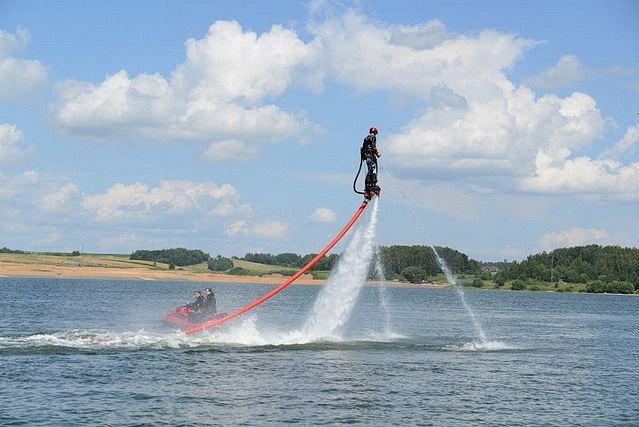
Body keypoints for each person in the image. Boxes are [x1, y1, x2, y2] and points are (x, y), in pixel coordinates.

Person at [361, 127, 381, 198]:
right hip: (371, 156)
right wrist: (377, 153)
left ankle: (367, 185)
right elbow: (373, 146)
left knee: (369, 170)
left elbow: (363, 148)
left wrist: (364, 156)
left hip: (367, 156)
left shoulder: (365, 138)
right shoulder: (373, 137)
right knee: (373, 170)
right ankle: (372, 184)